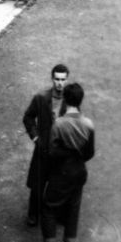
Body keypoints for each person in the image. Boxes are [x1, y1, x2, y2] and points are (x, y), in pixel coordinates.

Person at [26, 83, 95, 242]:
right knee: (73, 206)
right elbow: (90, 153)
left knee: (48, 206)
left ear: (65, 99)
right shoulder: (88, 124)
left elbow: (52, 151)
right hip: (80, 170)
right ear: (80, 100)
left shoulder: (60, 124)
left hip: (62, 170)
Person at [22, 63, 69, 227]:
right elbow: (28, 117)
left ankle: (54, 215)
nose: (59, 83)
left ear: (67, 80)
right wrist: (35, 138)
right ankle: (33, 215)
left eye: (63, 80)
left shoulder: (70, 101)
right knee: (37, 184)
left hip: (60, 152)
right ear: (52, 79)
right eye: (57, 79)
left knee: (58, 185)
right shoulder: (41, 98)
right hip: (42, 149)